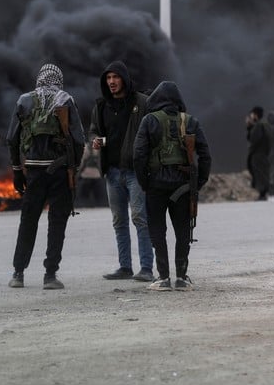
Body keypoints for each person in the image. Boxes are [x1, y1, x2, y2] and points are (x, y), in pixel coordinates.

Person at [6, 63, 85, 289]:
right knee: (57, 224)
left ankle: (18, 273)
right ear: (58, 79)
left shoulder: (24, 100)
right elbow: (78, 139)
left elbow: (12, 138)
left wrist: (16, 169)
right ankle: (50, 275)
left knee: (28, 222)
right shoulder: (65, 99)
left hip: (33, 172)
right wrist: (73, 167)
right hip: (59, 172)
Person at [133, 81, 211, 291]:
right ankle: (182, 278)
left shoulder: (149, 120)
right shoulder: (190, 121)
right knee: (183, 231)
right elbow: (205, 154)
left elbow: (139, 155)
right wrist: (199, 183)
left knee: (157, 230)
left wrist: (144, 183)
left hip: (156, 184)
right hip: (184, 186)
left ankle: (163, 277)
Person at [89, 61, 154, 283]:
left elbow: (153, 132)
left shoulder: (142, 103)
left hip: (135, 172)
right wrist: (95, 141)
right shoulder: (101, 107)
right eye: (108, 78)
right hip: (113, 172)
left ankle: (147, 267)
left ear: (124, 78)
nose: (112, 82)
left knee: (139, 217)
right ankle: (125, 266)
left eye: (115, 77)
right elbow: (94, 132)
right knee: (119, 221)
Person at [246, 106, 272, 200]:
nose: (251, 116)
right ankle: (264, 192)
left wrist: (249, 127)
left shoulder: (258, 125)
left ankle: (262, 194)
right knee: (263, 172)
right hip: (264, 153)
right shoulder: (266, 124)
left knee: (259, 173)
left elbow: (253, 139)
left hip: (258, 153)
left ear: (256, 115)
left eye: (252, 114)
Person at [76, 141, 106, 207]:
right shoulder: (97, 145)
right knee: (100, 199)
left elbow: (82, 162)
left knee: (83, 198)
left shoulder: (86, 146)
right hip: (96, 175)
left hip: (87, 175)